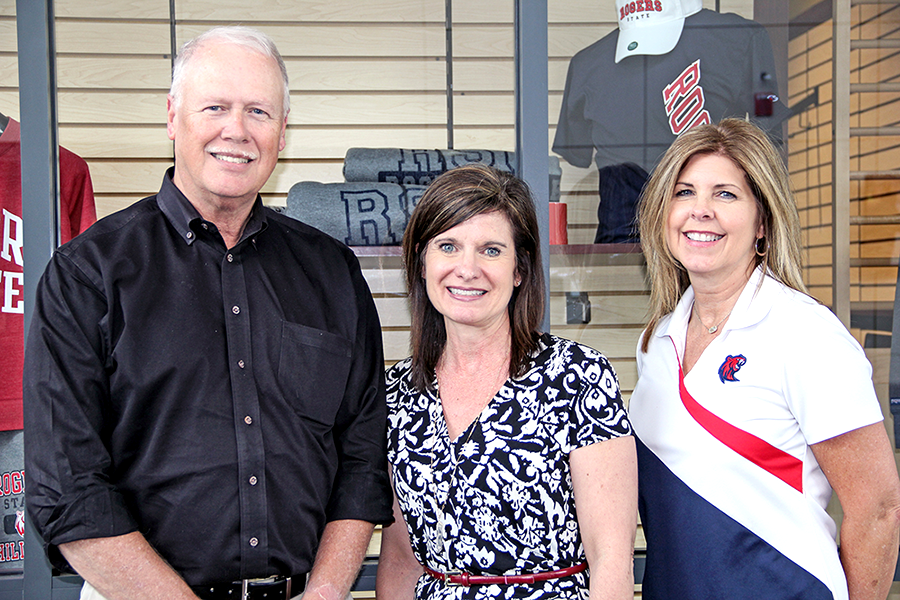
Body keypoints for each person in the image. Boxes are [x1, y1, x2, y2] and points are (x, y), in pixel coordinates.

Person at [23, 26, 393, 600]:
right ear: (173, 117)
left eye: (259, 112)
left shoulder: (333, 272)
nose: (237, 131)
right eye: (215, 106)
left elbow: (363, 459)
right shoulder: (87, 275)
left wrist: (324, 594)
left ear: (283, 131)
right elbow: (68, 492)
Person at [630, 117, 900, 600]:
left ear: (762, 223)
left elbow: (878, 507)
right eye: (685, 192)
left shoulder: (805, 335)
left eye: (725, 194)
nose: (701, 211)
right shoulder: (657, 342)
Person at [376, 164, 638, 600]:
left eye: (491, 250)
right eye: (448, 246)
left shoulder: (577, 377)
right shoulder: (397, 393)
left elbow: (611, 559)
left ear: (520, 270)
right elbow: (402, 557)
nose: (467, 268)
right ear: (422, 263)